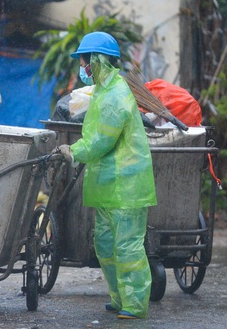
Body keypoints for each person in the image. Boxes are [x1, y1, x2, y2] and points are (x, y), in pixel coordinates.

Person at [55, 31, 157, 319]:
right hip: (109, 186)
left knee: (127, 247)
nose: (82, 67)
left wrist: (73, 152)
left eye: (84, 60)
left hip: (127, 186)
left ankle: (135, 304)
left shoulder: (115, 95)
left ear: (97, 61)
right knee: (104, 244)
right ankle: (120, 297)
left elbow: (101, 140)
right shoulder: (102, 89)